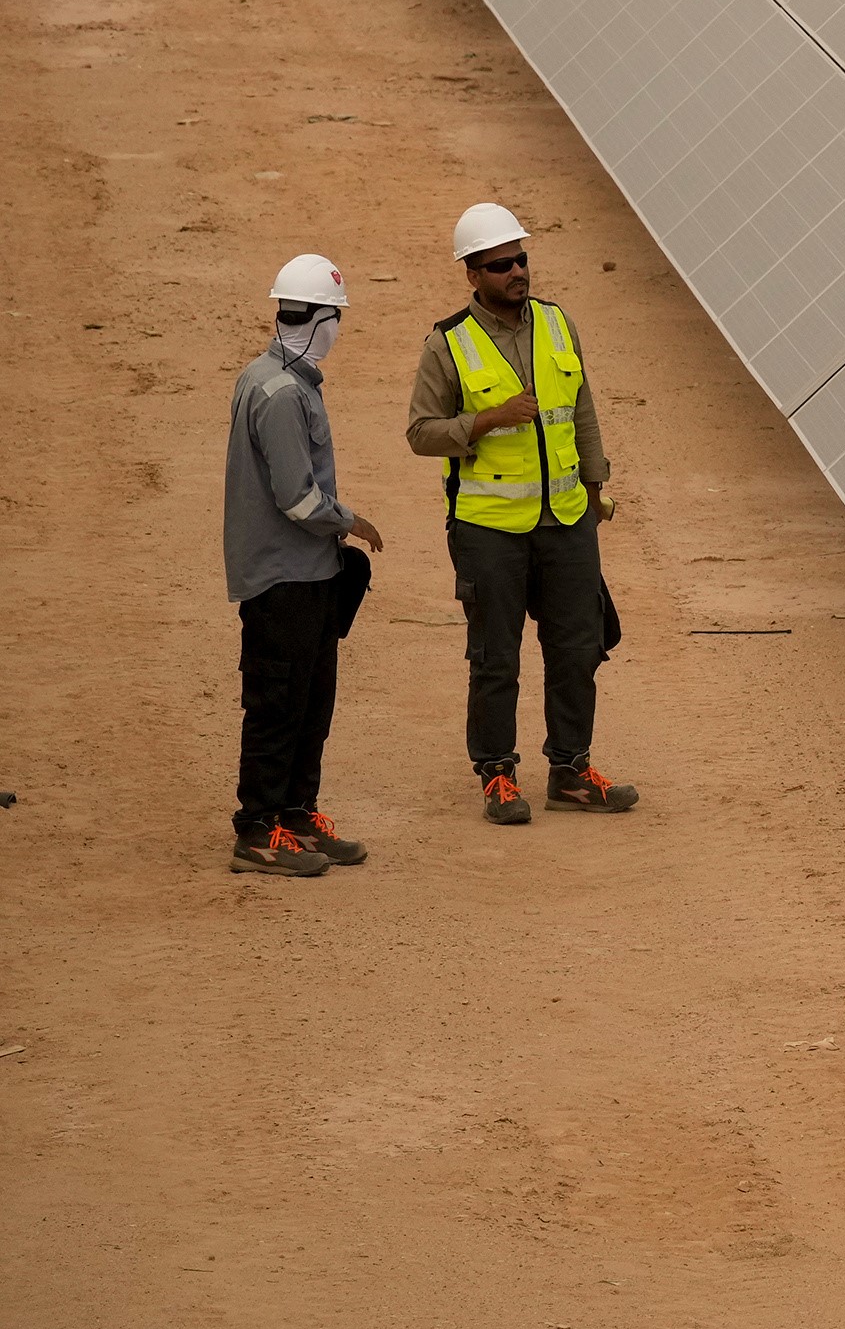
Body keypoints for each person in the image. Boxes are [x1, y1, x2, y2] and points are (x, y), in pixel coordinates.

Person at [406, 203, 639, 823]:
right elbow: (422, 434)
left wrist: (595, 485)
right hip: (489, 533)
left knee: (577, 648)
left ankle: (570, 770)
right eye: (500, 264)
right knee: (495, 657)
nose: (517, 272)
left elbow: (581, 407)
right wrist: (488, 419)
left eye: (521, 259)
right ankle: (497, 776)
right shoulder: (447, 343)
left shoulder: (558, 324)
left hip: (566, 522)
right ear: (473, 274)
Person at [224, 254, 383, 877]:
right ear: (316, 320)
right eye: (334, 317)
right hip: (282, 577)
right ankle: (257, 831)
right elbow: (296, 496)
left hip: (311, 574)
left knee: (313, 701)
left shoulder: (272, 378)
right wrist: (351, 522)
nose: (337, 328)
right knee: (278, 702)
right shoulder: (280, 392)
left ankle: (296, 813)